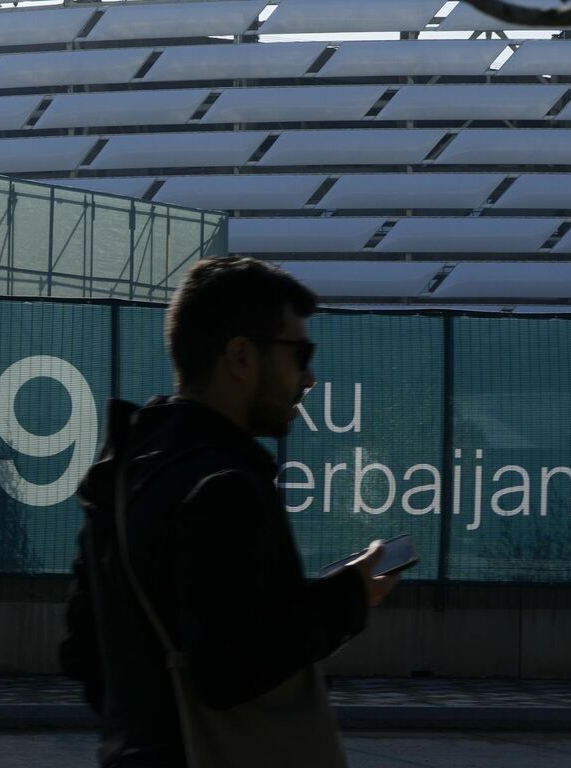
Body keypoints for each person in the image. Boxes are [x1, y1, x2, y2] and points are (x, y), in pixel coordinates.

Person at [60, 256, 399, 768]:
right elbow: (229, 670)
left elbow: (82, 651)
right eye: (299, 353)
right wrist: (349, 597)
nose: (308, 376)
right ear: (240, 358)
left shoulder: (126, 475)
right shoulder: (226, 489)